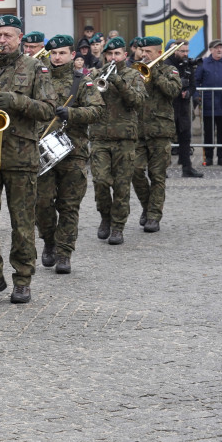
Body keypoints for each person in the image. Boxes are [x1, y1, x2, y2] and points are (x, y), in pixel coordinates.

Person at [0, 16, 55, 307]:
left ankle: (22, 279)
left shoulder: (35, 67)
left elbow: (48, 109)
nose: (1, 40)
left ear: (20, 38)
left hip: (21, 154)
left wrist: (16, 101)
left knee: (22, 222)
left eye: (7, 35)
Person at [34, 35, 103, 274]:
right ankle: (49, 241)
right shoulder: (38, 79)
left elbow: (97, 110)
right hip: (42, 151)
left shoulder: (82, 81)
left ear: (72, 55)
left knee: (69, 205)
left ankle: (64, 253)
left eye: (62, 53)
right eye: (53, 53)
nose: (57, 57)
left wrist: (72, 114)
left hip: (73, 151)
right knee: (41, 202)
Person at [90, 37, 146, 245]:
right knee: (101, 181)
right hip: (100, 137)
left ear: (124, 55)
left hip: (125, 138)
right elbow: (88, 100)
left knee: (122, 185)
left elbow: (138, 101)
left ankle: (118, 227)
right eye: (109, 54)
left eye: (117, 54)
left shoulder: (132, 75)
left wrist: (120, 83)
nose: (113, 58)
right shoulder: (96, 74)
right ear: (105, 55)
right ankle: (105, 217)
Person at [131, 37, 182, 234]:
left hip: (160, 130)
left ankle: (153, 216)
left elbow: (173, 90)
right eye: (143, 51)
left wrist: (155, 73)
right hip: (139, 130)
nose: (144, 55)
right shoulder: (136, 70)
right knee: (135, 170)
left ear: (159, 54)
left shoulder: (169, 71)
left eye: (149, 52)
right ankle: (147, 206)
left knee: (157, 175)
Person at [165, 40, 204, 178]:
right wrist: (177, 89)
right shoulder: (167, 63)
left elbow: (193, 85)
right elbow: (164, 86)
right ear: (175, 51)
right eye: (183, 51)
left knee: (185, 137)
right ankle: (161, 169)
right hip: (169, 107)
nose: (186, 54)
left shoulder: (188, 64)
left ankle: (187, 168)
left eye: (187, 51)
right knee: (165, 140)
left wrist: (187, 93)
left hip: (183, 107)